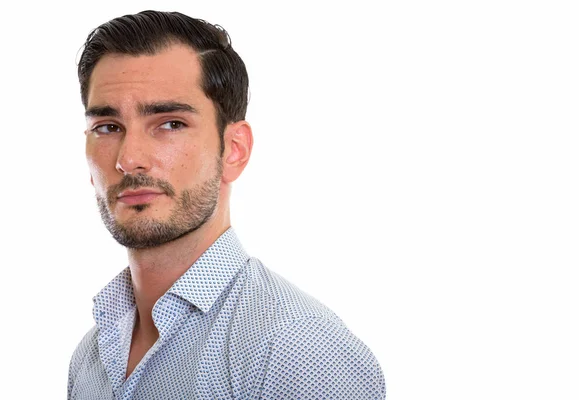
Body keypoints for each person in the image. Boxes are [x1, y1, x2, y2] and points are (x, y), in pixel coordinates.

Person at [67, 10, 385, 399]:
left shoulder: (295, 346)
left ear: (234, 150)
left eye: (170, 124)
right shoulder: (91, 356)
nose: (129, 158)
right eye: (108, 127)